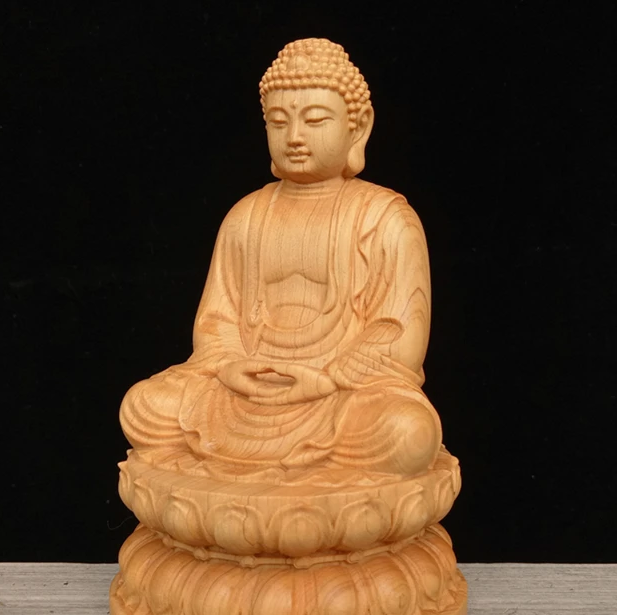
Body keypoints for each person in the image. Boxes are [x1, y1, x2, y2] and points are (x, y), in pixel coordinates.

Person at [120, 38, 441, 476]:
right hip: (244, 391)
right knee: (144, 406)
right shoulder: (246, 216)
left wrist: (327, 378)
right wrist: (230, 367)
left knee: (408, 433)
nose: (294, 138)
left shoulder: (385, 218)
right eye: (278, 122)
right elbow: (217, 320)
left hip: (338, 394)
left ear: (358, 128)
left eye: (316, 120)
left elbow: (401, 336)